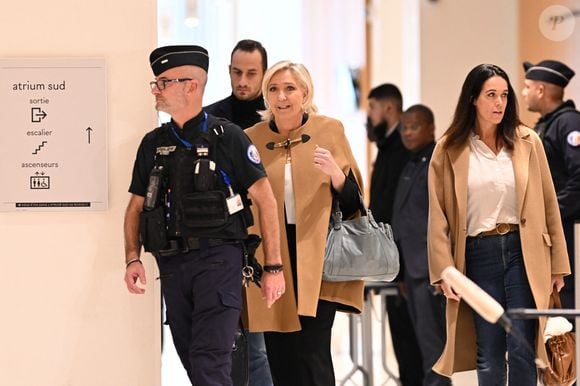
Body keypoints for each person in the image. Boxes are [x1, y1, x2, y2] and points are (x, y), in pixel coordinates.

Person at [123, 44, 285, 386]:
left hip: (218, 262)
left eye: (163, 82)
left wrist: (273, 268)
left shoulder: (228, 138)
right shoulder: (153, 144)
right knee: (193, 365)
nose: (156, 89)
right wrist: (131, 258)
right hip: (172, 265)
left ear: (191, 85)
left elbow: (266, 200)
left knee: (210, 365)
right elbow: (135, 207)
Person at [427, 63, 570, 385]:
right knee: (488, 350)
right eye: (491, 95)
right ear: (473, 99)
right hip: (477, 255)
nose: (499, 103)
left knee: (522, 345)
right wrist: (443, 270)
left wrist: (557, 264)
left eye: (504, 95)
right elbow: (437, 216)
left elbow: (549, 203)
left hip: (524, 253)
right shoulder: (449, 148)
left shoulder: (527, 141)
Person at [243, 60, 364, 386]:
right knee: (280, 355)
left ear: (305, 92)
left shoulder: (329, 130)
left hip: (318, 256)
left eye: (289, 88)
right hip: (271, 257)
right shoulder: (250, 139)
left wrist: (336, 175)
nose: (281, 96)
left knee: (312, 354)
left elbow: (355, 203)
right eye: (273, 89)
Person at [204, 38, 274, 386]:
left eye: (251, 73)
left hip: (276, 239)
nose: (242, 81)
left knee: (271, 344)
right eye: (236, 72)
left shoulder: (278, 118)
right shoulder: (212, 117)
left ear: (264, 73)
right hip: (229, 238)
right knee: (242, 342)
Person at [367, 83, 424, 385]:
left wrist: (400, 267)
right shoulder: (388, 148)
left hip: (406, 264)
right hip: (392, 262)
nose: (369, 116)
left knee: (416, 345)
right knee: (403, 343)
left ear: (388, 108)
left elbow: (404, 212)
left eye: (372, 108)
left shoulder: (404, 149)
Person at [392, 104, 451, 386]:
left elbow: (443, 218)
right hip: (412, 270)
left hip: (430, 271)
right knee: (423, 348)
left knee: (435, 349)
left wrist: (440, 270)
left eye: (414, 126)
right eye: (404, 127)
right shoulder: (411, 162)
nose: (407, 132)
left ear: (431, 128)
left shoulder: (438, 161)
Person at [521, 59, 580, 310]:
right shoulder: (547, 123)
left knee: (564, 303)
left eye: (527, 87)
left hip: (567, 230)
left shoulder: (568, 123)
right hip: (551, 228)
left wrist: (551, 213)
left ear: (541, 90)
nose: (523, 93)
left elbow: (579, 179)